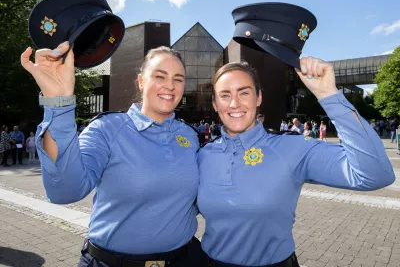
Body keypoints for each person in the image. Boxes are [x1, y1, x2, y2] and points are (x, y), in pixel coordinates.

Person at [20, 44, 207, 267]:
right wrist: (58, 103)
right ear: (141, 81)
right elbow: (64, 192)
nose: (170, 85)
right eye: (160, 76)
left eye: (178, 79)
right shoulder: (106, 129)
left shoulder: (190, 135)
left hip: (184, 260)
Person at [197, 59, 395, 267]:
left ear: (259, 97)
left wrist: (329, 95)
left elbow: (376, 174)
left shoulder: (292, 148)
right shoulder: (203, 154)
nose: (234, 103)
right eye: (225, 95)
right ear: (214, 103)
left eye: (244, 92)